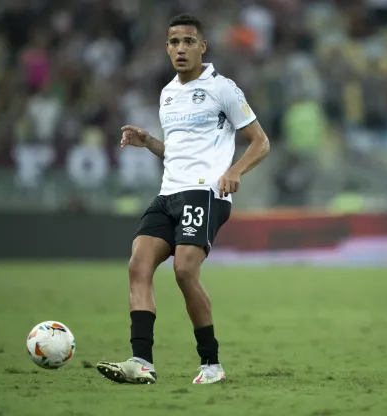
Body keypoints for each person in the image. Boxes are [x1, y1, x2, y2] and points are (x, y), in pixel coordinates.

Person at [96, 14, 270, 385]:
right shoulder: (167, 94)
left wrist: (235, 171)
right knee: (137, 266)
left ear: (202, 46)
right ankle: (141, 361)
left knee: (184, 270)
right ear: (166, 48)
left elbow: (261, 141)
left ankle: (211, 364)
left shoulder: (223, 88)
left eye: (188, 41)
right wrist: (149, 143)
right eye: (174, 42)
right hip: (168, 193)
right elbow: (177, 152)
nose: (180, 48)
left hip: (205, 192)